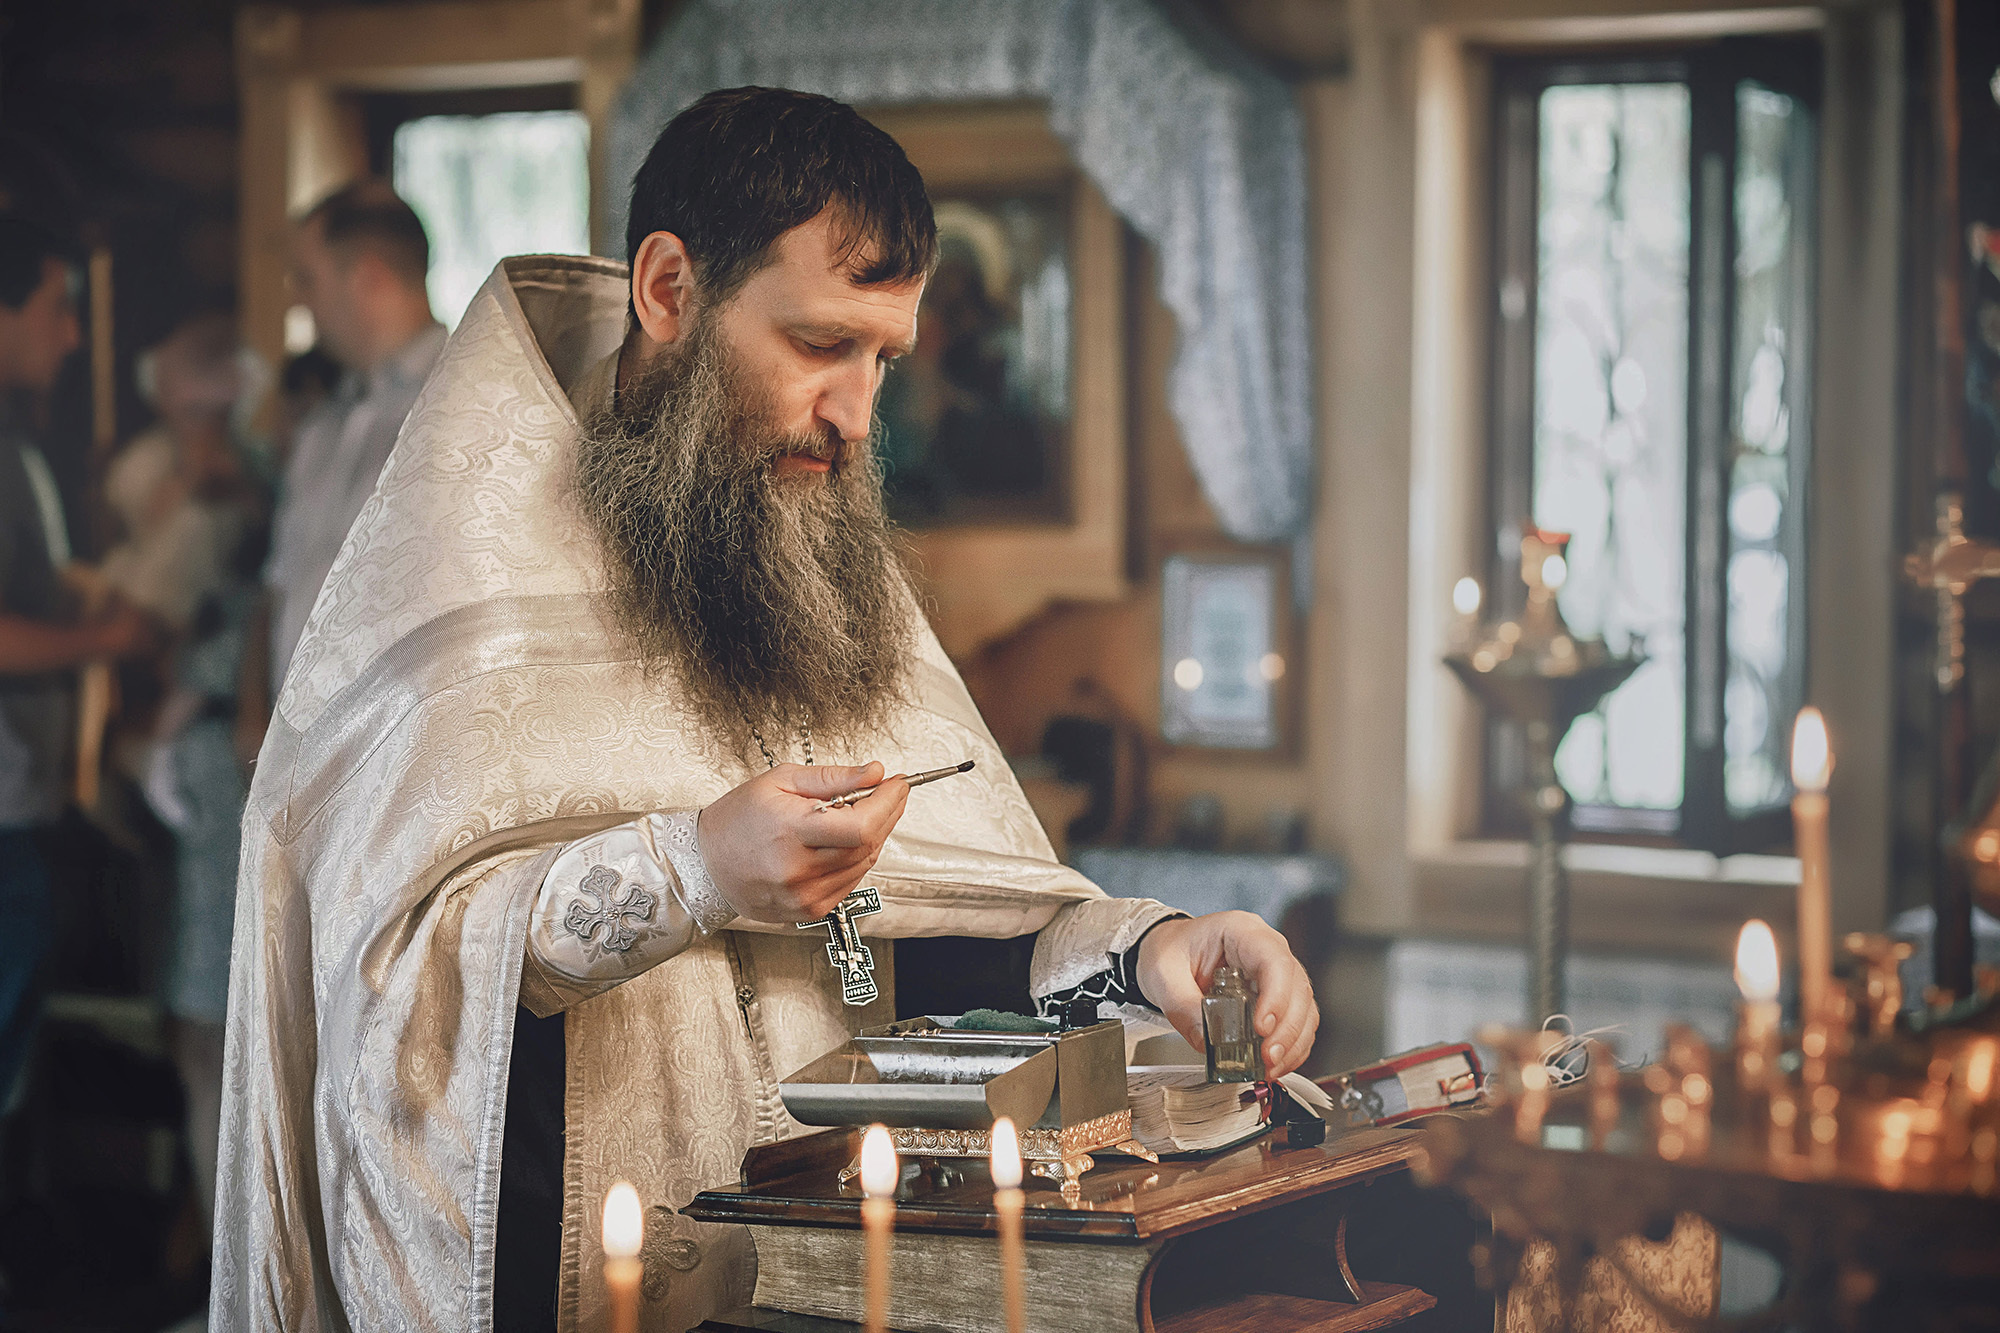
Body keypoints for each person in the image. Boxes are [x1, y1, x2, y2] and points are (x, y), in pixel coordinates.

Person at [213, 88, 1320, 1333]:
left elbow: (942, 909)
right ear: (668, 291)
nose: (856, 415)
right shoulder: (463, 571)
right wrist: (693, 867)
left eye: (882, 358)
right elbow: (390, 966)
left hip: (816, 1280)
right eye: (818, 342)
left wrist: (1148, 951)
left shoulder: (809, 550)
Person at [0, 216, 152, 1105]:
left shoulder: (16, 445)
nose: (70, 335)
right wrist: (109, 639)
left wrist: (93, 587)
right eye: (56, 309)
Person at [245, 180, 443, 734]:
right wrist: (253, 712)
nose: (297, 300)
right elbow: (282, 579)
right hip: (288, 745)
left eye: (307, 279)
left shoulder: (458, 406)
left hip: (393, 746)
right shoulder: (322, 424)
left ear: (370, 278)